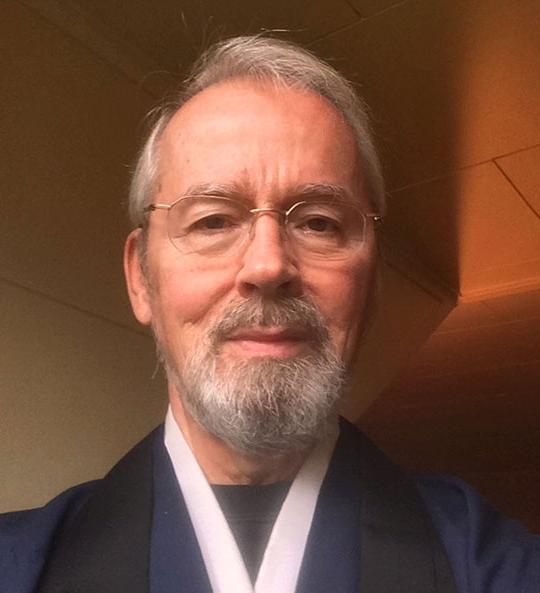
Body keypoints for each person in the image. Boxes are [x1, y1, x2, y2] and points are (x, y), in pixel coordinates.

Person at [1, 36, 539, 593]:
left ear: (372, 283)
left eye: (320, 222)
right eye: (212, 221)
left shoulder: (489, 562)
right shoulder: (19, 566)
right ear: (141, 278)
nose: (268, 263)